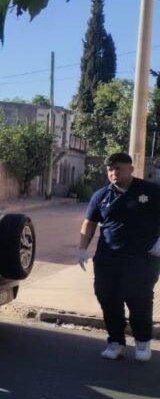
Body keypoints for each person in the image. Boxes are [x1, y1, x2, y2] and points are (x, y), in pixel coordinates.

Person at [78, 152, 160, 362]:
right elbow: (89, 223)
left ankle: (142, 341)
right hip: (108, 258)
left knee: (139, 299)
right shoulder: (101, 195)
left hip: (142, 259)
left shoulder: (150, 191)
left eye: (118, 168)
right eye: (110, 169)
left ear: (130, 169)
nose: (114, 173)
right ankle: (116, 342)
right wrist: (82, 249)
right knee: (107, 297)